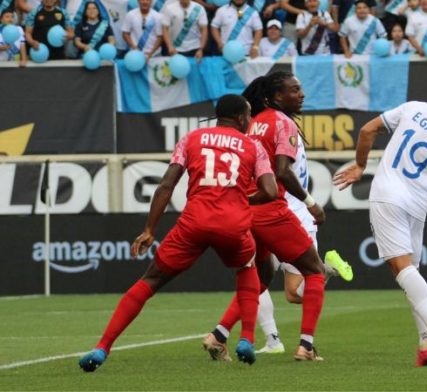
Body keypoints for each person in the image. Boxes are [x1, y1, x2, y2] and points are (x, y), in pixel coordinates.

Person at [77, 95, 278, 372]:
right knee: (247, 269)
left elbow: (166, 185)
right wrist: (240, 201)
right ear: (242, 118)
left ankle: (102, 347)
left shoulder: (192, 138)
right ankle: (246, 339)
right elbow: (270, 191)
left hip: (194, 221)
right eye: (249, 115)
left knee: (151, 280)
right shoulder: (253, 146)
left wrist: (149, 229)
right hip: (233, 224)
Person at [332, 85, 427, 367]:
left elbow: (367, 130)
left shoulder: (415, 107)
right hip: (417, 205)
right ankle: (426, 344)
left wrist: (361, 166)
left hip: (387, 194)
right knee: (411, 271)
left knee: (401, 270)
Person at [203, 72, 328, 362]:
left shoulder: (254, 122)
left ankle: (218, 335)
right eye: (294, 90)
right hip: (270, 210)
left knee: (259, 279)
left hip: (246, 212)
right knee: (315, 270)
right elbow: (283, 171)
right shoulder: (282, 123)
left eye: (300, 89)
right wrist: (311, 202)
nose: (302, 94)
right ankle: (306, 346)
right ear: (276, 97)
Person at [254, 123, 353, 355]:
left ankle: (277, 341)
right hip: (289, 215)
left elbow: (282, 172)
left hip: (283, 216)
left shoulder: (275, 130)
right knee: (291, 292)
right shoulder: (286, 131)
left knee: (255, 280)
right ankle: (276, 341)